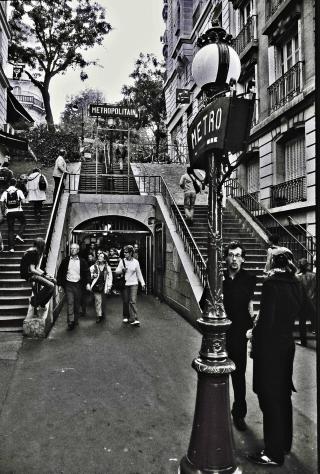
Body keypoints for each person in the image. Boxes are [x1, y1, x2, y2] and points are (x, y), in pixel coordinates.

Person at [248, 247, 313, 467]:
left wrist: (253, 336)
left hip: (270, 350)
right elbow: (310, 311)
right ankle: (284, 443)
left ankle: (273, 453)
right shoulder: (296, 283)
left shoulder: (270, 285)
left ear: (272, 262)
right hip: (287, 347)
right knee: (283, 395)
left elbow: (267, 322)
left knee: (269, 398)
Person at [223, 241, 256, 431]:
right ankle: (218, 409)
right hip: (221, 334)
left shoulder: (249, 278)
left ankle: (239, 414)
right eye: (231, 255)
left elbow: (249, 304)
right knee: (217, 374)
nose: (234, 259)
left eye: (238, 255)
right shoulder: (219, 278)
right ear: (226, 257)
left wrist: (251, 328)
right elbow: (205, 302)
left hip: (239, 334)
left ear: (243, 259)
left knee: (238, 375)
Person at [56, 243, 91, 330]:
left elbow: (87, 273)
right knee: (70, 302)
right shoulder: (66, 260)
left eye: (74, 249)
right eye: (71, 249)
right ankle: (70, 322)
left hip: (79, 285)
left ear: (78, 250)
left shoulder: (82, 261)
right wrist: (59, 285)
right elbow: (60, 273)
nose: (72, 250)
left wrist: (87, 283)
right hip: (68, 284)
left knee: (77, 303)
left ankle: (75, 319)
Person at [20, 237, 55, 315]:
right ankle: (34, 301)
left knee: (53, 282)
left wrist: (46, 275)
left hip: (29, 274)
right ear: (41, 246)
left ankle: (41, 303)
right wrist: (44, 276)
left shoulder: (31, 251)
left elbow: (37, 268)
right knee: (51, 285)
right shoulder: (33, 253)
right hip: (30, 275)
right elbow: (32, 269)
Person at [115, 245, 145, 326]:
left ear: (131, 253)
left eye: (126, 252)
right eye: (124, 252)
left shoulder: (136, 262)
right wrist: (122, 270)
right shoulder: (122, 261)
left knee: (133, 301)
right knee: (125, 301)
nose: (125, 254)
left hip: (134, 284)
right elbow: (116, 271)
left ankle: (135, 318)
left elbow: (139, 273)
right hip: (125, 284)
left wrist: (142, 283)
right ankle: (126, 316)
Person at [0, 178, 26, 252]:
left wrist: (3, 212)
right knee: (23, 223)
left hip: (9, 212)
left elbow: (1, 202)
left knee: (10, 230)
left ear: (9, 184)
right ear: (15, 184)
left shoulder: (5, 192)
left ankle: (11, 248)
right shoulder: (19, 191)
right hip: (18, 211)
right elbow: (23, 201)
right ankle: (19, 235)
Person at [89, 252, 113, 323]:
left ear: (105, 259)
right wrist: (93, 275)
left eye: (102, 257)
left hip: (104, 286)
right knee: (98, 301)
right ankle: (99, 316)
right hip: (96, 286)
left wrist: (109, 287)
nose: (100, 257)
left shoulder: (107, 268)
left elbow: (110, 278)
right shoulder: (94, 266)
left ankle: (102, 313)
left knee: (103, 301)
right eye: (99, 256)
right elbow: (88, 274)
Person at [296, 257, 316, 333]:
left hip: (302, 302)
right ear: (307, 265)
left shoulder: (297, 276)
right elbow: (313, 288)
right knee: (313, 319)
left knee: (302, 321)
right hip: (311, 300)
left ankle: (303, 341)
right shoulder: (313, 275)